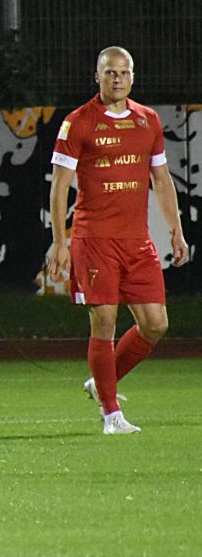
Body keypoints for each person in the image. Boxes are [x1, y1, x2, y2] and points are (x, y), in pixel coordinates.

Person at [47, 46, 189, 435]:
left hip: (137, 241)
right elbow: (59, 187)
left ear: (133, 77)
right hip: (94, 240)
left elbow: (161, 180)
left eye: (124, 73)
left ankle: (102, 382)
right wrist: (60, 241)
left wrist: (176, 230)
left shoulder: (148, 120)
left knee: (155, 324)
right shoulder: (78, 122)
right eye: (110, 72)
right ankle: (111, 415)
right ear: (97, 77)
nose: (117, 79)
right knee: (104, 322)